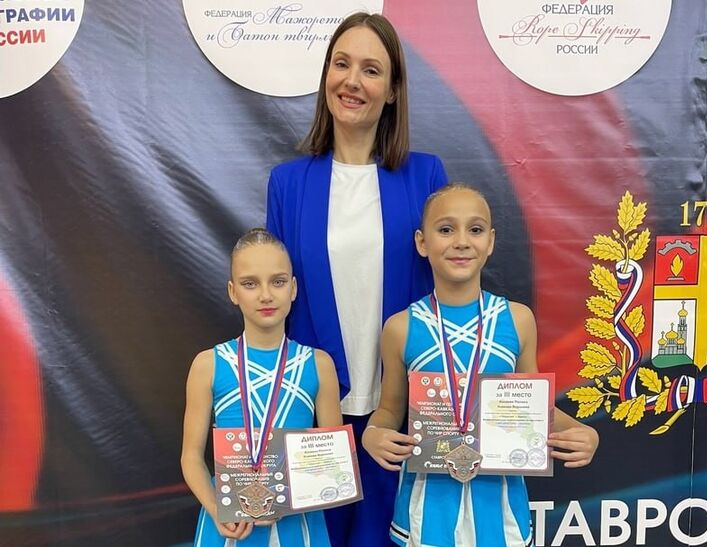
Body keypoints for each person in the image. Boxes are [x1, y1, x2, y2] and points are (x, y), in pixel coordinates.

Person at [265, 12, 447, 546]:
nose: (352, 81)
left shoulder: (425, 175)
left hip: (402, 415)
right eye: (341, 64)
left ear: (392, 91)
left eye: (371, 70)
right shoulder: (288, 183)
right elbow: (275, 304)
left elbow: (449, 295)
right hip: (316, 414)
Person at [362, 184, 600, 547]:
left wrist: (584, 432)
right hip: (426, 507)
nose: (461, 241)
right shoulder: (401, 327)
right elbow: (391, 409)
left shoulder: (518, 320)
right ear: (422, 242)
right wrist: (372, 433)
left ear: (490, 241)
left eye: (474, 229)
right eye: (446, 229)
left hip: (500, 506)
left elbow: (537, 410)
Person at [181, 228, 342, 546]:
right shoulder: (208, 364)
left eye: (277, 282)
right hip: (231, 527)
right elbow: (191, 457)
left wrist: (286, 498)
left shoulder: (318, 364)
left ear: (293, 288)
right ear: (233, 291)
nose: (265, 295)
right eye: (250, 284)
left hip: (299, 526)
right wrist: (217, 509)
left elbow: (333, 462)